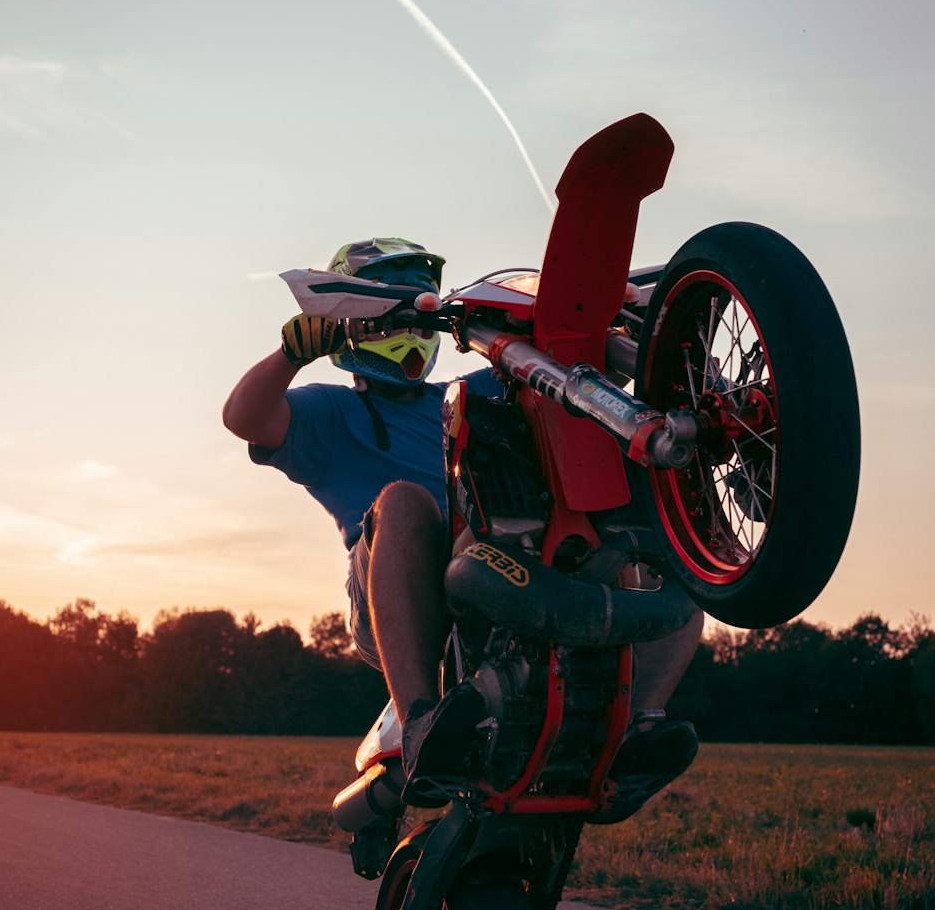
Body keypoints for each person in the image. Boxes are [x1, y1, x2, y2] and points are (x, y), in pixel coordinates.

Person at [222, 238, 703, 820]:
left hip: (496, 562)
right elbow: (244, 418)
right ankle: (422, 720)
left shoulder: (466, 395)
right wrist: (290, 354)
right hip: (393, 589)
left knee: (662, 535)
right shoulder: (333, 411)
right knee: (404, 500)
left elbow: (565, 396)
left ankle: (635, 731)